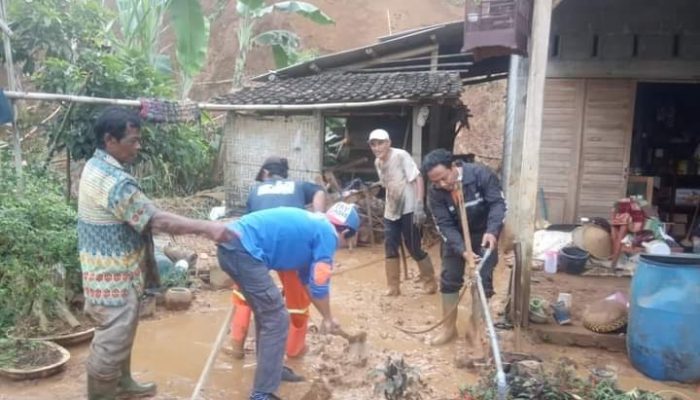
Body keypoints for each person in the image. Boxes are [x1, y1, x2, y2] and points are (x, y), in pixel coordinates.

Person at [78, 107, 232, 399]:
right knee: (112, 339)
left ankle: (122, 384)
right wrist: (207, 227)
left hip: (113, 270)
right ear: (110, 140)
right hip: (112, 277)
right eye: (132, 140)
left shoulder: (95, 165)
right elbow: (155, 220)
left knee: (122, 332)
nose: (138, 147)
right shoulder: (114, 181)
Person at [217, 202, 360, 400]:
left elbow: (307, 282)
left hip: (234, 245)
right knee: (277, 318)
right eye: (348, 240)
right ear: (345, 232)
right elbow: (320, 284)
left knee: (267, 314)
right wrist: (328, 317)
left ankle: (271, 369)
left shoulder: (315, 227)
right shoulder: (328, 234)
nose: (343, 246)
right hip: (242, 249)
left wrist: (327, 317)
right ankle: (262, 394)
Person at [230, 156, 326, 361]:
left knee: (243, 295)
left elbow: (248, 224)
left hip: (257, 246)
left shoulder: (255, 190)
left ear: (265, 174)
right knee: (297, 301)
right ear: (284, 175)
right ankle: (294, 350)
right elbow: (320, 190)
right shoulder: (299, 185)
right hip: (292, 245)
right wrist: (319, 216)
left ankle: (236, 345)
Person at [421, 149, 506, 346]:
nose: (442, 184)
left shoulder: (481, 175)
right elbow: (444, 225)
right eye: (436, 182)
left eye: (444, 178)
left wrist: (493, 231)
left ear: (453, 167)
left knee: (482, 281)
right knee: (449, 279)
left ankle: (475, 331)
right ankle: (448, 329)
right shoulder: (435, 193)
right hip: (455, 239)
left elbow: (498, 205)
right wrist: (463, 250)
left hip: (485, 234)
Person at [368, 129, 437, 296]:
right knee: (390, 246)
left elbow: (417, 178)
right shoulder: (378, 163)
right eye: (374, 144)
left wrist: (419, 204)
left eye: (381, 143)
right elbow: (386, 184)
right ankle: (393, 286)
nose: (377, 148)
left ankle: (430, 281)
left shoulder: (400, 156)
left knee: (413, 246)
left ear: (389, 143)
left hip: (409, 208)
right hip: (391, 210)